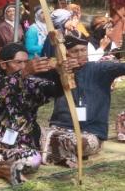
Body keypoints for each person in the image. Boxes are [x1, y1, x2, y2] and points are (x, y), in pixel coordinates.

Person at [0, 43, 67, 184]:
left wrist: (60, 73)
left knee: (34, 159)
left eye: (26, 62)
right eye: (18, 62)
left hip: (20, 147)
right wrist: (24, 73)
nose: (23, 66)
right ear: (3, 65)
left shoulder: (32, 83)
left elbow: (54, 90)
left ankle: (0, 168)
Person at [42, 35, 125, 167]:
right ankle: (59, 151)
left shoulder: (100, 69)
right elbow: (37, 80)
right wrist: (58, 69)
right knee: (36, 134)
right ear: (66, 54)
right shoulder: (58, 72)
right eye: (75, 51)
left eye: (83, 50)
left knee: (79, 142)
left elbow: (121, 67)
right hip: (59, 128)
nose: (80, 54)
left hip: (91, 132)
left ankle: (55, 150)